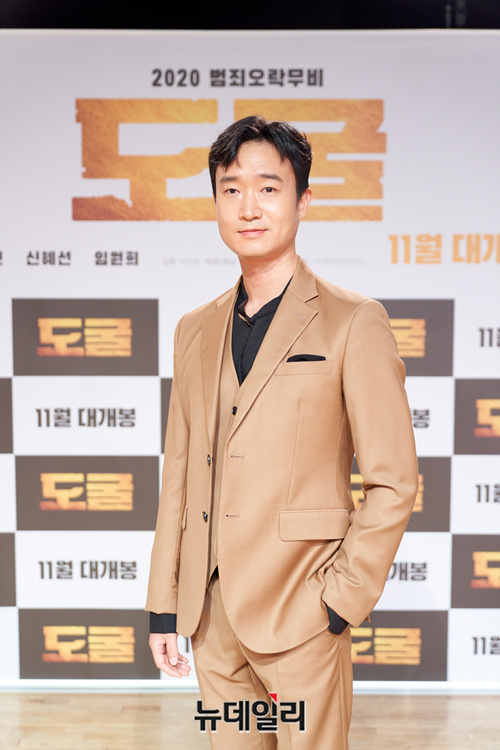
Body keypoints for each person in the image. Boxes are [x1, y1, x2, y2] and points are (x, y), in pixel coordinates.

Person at [146, 115, 418, 749]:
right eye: (231, 189)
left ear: (303, 200)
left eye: (268, 188)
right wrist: (165, 603)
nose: (249, 207)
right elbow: (179, 474)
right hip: (212, 624)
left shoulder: (353, 321)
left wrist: (340, 601)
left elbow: (394, 481)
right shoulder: (194, 329)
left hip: (303, 615)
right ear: (216, 202)